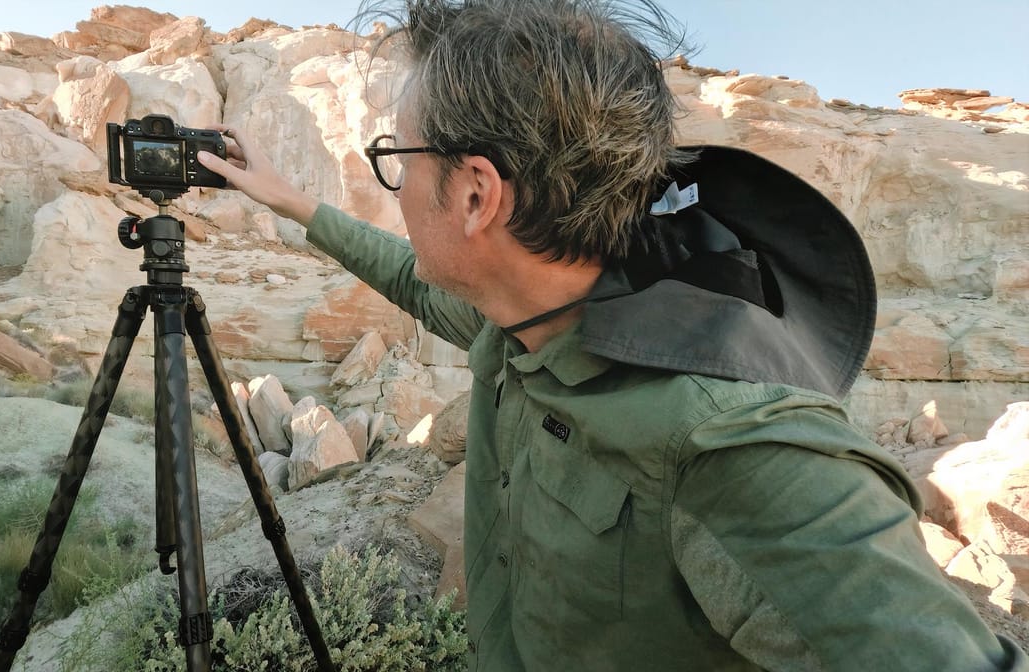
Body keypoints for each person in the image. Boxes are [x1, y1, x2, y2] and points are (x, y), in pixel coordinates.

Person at [197, 1, 1027, 669]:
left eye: (401, 160)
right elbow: (415, 279)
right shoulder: (524, 322)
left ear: (477, 196)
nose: (399, 187)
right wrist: (288, 199)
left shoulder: (737, 445)